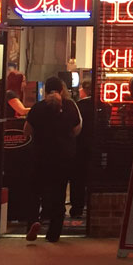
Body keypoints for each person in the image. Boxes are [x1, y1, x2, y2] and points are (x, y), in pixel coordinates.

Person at [22, 76, 81, 242]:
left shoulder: (38, 107)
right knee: (59, 195)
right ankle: (54, 234)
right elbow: (77, 129)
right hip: (63, 158)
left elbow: (26, 130)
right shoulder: (70, 107)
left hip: (40, 156)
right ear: (62, 90)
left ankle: (33, 222)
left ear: (45, 90)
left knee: (35, 192)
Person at [69, 79, 108, 220]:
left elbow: (73, 127)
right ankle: (94, 206)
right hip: (98, 146)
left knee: (78, 179)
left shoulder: (78, 106)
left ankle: (77, 208)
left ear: (84, 90)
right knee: (95, 176)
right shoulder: (104, 106)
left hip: (79, 146)